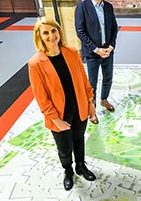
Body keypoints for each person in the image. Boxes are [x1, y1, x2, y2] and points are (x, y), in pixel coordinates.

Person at [28, 17, 98, 191]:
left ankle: (80, 166)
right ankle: (68, 172)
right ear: (39, 36)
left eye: (54, 31)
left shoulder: (71, 52)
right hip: (59, 115)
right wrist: (54, 119)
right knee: (65, 147)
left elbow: (84, 80)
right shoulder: (35, 64)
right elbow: (41, 97)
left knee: (79, 140)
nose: (51, 36)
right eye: (46, 32)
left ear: (59, 31)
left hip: (79, 108)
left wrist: (91, 103)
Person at [75, 0, 118, 112]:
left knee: (108, 78)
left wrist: (110, 47)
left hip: (108, 52)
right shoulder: (82, 7)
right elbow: (80, 32)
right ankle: (91, 106)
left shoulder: (109, 7)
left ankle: (104, 99)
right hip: (92, 53)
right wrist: (96, 49)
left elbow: (114, 28)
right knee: (91, 82)